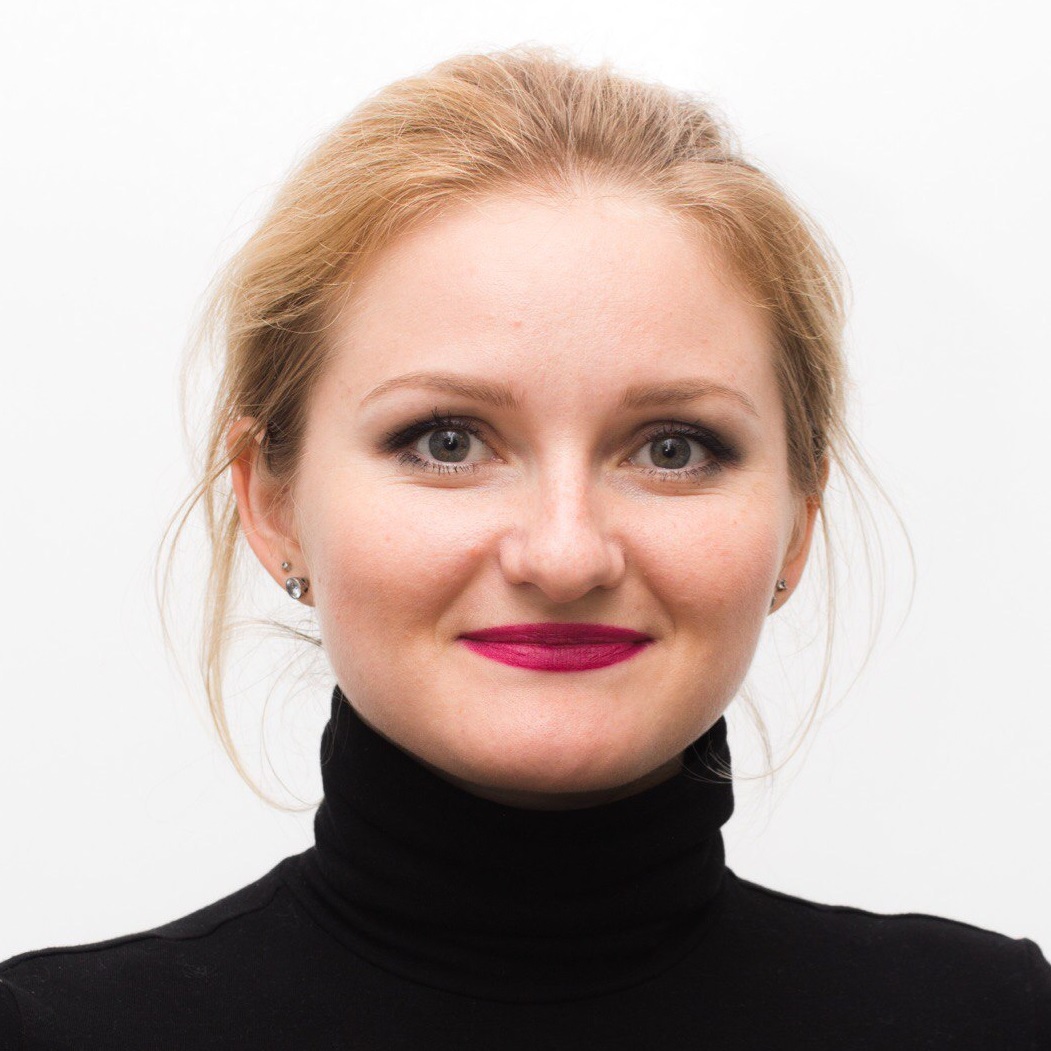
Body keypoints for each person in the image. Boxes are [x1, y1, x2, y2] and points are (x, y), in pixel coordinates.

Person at [2, 45, 1048, 1049]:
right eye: (446, 441)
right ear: (270, 502)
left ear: (796, 524)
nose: (564, 555)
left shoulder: (994, 1022)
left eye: (673, 448)